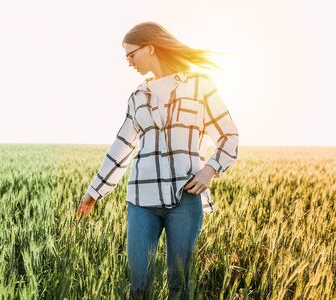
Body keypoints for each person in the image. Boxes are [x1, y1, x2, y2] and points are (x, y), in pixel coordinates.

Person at [75, 21, 239, 299]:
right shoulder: (138, 97)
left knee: (180, 285)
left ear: (150, 48)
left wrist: (210, 169)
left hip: (185, 199)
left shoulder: (200, 86)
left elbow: (229, 135)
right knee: (138, 286)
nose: (128, 63)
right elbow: (122, 147)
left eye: (131, 55)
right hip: (141, 199)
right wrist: (93, 193)